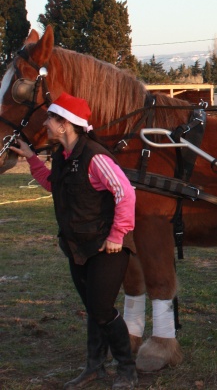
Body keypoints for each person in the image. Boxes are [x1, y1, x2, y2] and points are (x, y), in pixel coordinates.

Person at [9, 93, 138, 390]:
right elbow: (54, 185)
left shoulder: (96, 156)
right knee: (94, 308)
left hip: (107, 247)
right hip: (78, 246)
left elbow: (125, 193)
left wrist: (117, 235)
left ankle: (126, 368)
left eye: (52, 118)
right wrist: (31, 158)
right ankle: (95, 367)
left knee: (103, 309)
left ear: (66, 125)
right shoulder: (63, 157)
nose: (47, 123)